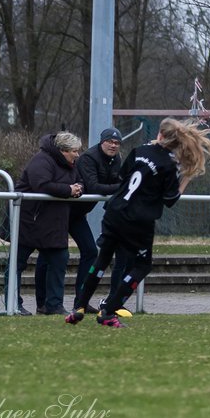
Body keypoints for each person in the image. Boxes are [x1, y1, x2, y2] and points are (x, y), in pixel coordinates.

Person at [67, 117, 210, 327]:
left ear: (159, 135)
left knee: (103, 259)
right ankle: (108, 310)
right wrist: (188, 177)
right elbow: (170, 200)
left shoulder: (140, 151)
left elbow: (123, 178)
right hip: (138, 219)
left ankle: (79, 307)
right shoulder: (169, 165)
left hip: (115, 211)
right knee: (142, 266)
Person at [6, 132, 84, 315]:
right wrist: (68, 190)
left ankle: (53, 305)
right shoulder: (41, 161)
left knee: (59, 259)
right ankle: (13, 303)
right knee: (17, 264)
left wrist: (78, 189)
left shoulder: (71, 164)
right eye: (74, 151)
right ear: (63, 151)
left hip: (54, 223)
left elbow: (80, 182)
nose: (77, 155)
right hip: (28, 221)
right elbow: (41, 185)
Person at [71, 127, 129, 313]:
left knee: (89, 252)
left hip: (78, 214)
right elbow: (94, 186)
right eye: (110, 142)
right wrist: (121, 187)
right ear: (102, 141)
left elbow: (115, 180)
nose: (113, 145)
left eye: (117, 143)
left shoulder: (116, 159)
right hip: (63, 212)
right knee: (52, 254)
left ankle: (80, 302)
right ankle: (48, 303)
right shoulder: (88, 158)